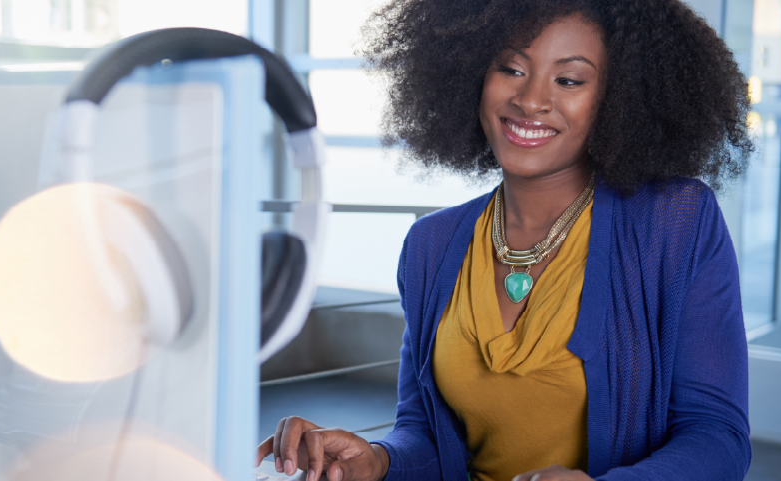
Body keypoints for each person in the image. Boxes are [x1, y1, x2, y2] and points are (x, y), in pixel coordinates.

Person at [257, 0, 753, 479]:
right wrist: (378, 461)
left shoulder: (674, 222)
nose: (531, 100)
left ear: (618, 98)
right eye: (511, 69)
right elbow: (427, 434)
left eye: (569, 80)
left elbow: (718, 437)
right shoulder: (431, 245)